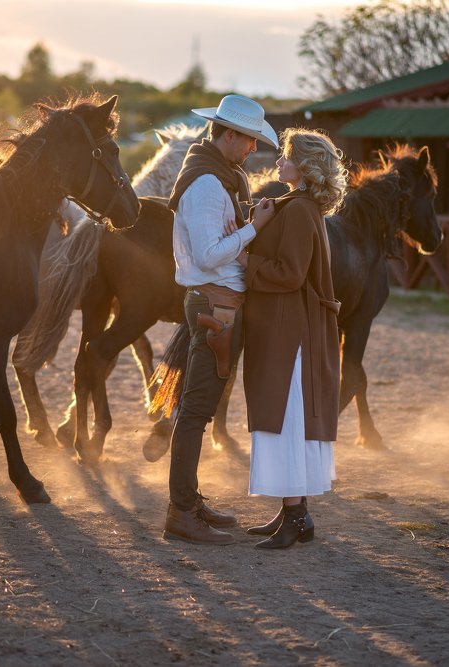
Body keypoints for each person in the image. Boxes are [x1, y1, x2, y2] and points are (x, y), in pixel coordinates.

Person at [162, 94, 279, 545]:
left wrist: (243, 228)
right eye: (249, 140)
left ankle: (188, 502)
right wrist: (254, 228)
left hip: (218, 305)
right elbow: (210, 254)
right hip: (217, 308)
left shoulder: (216, 177)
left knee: (199, 410)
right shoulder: (209, 185)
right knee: (195, 412)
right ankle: (180, 512)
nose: (253, 148)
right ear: (229, 135)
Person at [241, 127, 347, 549]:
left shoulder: (301, 211)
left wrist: (247, 261)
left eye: (285, 156)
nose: (279, 161)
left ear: (303, 165)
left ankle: (296, 517)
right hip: (285, 325)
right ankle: (295, 514)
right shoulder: (295, 206)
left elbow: (290, 273)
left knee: (286, 418)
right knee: (286, 418)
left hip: (292, 332)